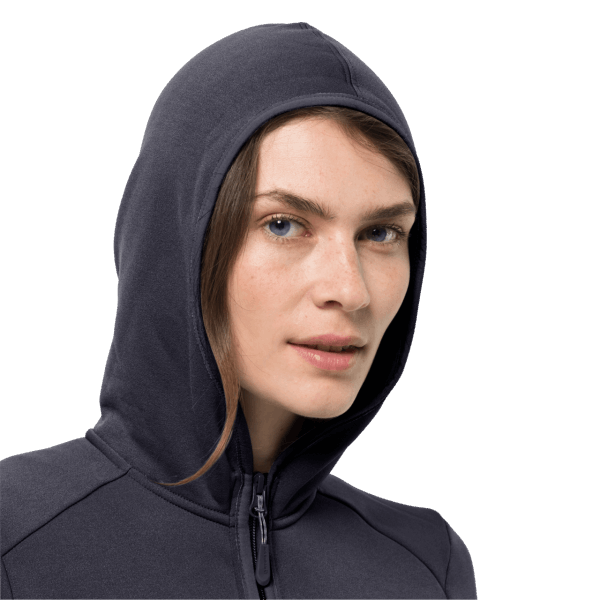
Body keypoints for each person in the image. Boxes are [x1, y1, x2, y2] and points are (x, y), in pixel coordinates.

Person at [0, 23, 477, 599]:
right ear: (177, 239)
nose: (351, 290)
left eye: (380, 233)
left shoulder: (427, 567)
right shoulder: (12, 537)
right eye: (284, 225)